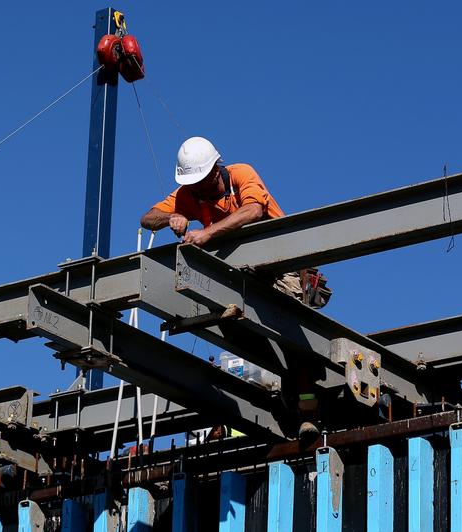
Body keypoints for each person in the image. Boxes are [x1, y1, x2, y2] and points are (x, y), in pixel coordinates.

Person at [139, 136, 330, 438]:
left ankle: (308, 409)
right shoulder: (189, 194)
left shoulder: (242, 174)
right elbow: (147, 218)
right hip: (241, 279)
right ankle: (285, 396)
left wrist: (207, 234)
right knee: (237, 332)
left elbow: (253, 211)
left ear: (216, 169)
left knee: (291, 334)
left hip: (279, 266)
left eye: (201, 181)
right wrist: (169, 217)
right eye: (193, 184)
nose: (197, 189)